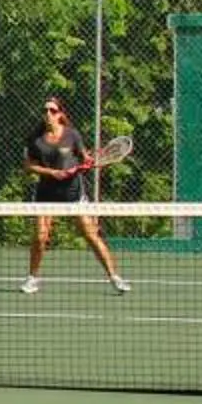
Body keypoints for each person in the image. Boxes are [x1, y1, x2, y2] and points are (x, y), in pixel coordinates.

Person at [22, 95, 128, 296]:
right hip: (47, 194)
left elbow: (86, 158)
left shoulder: (72, 135)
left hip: (73, 194)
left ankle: (115, 277)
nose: (48, 114)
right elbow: (28, 166)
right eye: (45, 110)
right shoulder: (35, 139)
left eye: (52, 110)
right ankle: (32, 278)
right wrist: (52, 173)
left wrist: (91, 161)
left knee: (90, 235)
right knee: (40, 236)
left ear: (60, 114)